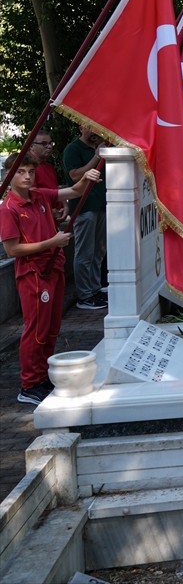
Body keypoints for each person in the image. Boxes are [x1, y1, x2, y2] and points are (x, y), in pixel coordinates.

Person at [1, 152, 101, 404]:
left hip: (54, 267)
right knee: (36, 330)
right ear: (9, 175)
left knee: (52, 328)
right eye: (21, 172)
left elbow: (75, 191)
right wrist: (51, 242)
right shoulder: (9, 208)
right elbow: (12, 250)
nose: (27, 177)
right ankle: (29, 384)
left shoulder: (40, 195)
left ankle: (42, 376)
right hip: (34, 273)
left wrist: (88, 176)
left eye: (31, 172)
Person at [62, 125, 107, 310]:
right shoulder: (73, 149)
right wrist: (97, 156)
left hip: (101, 206)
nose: (94, 130)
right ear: (81, 128)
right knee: (85, 252)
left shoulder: (100, 147)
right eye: (90, 126)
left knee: (98, 251)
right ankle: (85, 295)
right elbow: (74, 176)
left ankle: (95, 289)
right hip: (83, 207)